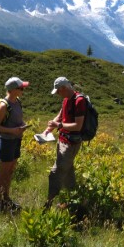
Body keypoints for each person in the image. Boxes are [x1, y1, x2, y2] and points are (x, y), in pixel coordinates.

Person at [43, 77, 86, 208]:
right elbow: (60, 116)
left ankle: (49, 203)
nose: (57, 94)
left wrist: (59, 124)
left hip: (71, 143)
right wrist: (48, 129)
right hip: (62, 140)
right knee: (68, 172)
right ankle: (75, 200)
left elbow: (78, 126)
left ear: (64, 88)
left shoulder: (79, 101)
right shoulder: (66, 99)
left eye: (58, 91)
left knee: (55, 173)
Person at [0, 77, 29, 211]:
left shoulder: (18, 101)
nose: (23, 90)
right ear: (13, 90)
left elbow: (18, 119)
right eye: (21, 88)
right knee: (3, 172)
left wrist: (22, 126)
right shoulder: (3, 105)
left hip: (16, 140)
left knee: (10, 171)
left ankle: (6, 198)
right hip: (6, 142)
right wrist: (12, 130)